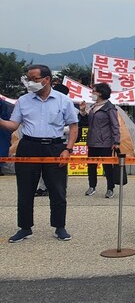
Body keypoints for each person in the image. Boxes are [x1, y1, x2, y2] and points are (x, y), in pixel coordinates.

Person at [0, 64, 79, 242]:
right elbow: (13, 125)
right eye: (28, 79)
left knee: (58, 190)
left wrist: (68, 149)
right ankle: (25, 228)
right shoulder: (23, 100)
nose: (30, 82)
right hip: (28, 146)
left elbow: (74, 126)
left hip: (55, 148)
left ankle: (60, 227)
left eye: (34, 79)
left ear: (47, 79)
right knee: (25, 190)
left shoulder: (63, 100)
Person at [78, 82, 120, 199]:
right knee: (91, 165)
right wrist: (82, 111)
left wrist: (116, 141)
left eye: (94, 91)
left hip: (105, 142)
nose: (92, 93)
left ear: (100, 93)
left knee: (107, 167)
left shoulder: (109, 108)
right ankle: (92, 186)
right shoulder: (93, 107)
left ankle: (110, 188)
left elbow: (115, 125)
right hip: (92, 141)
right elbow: (86, 122)